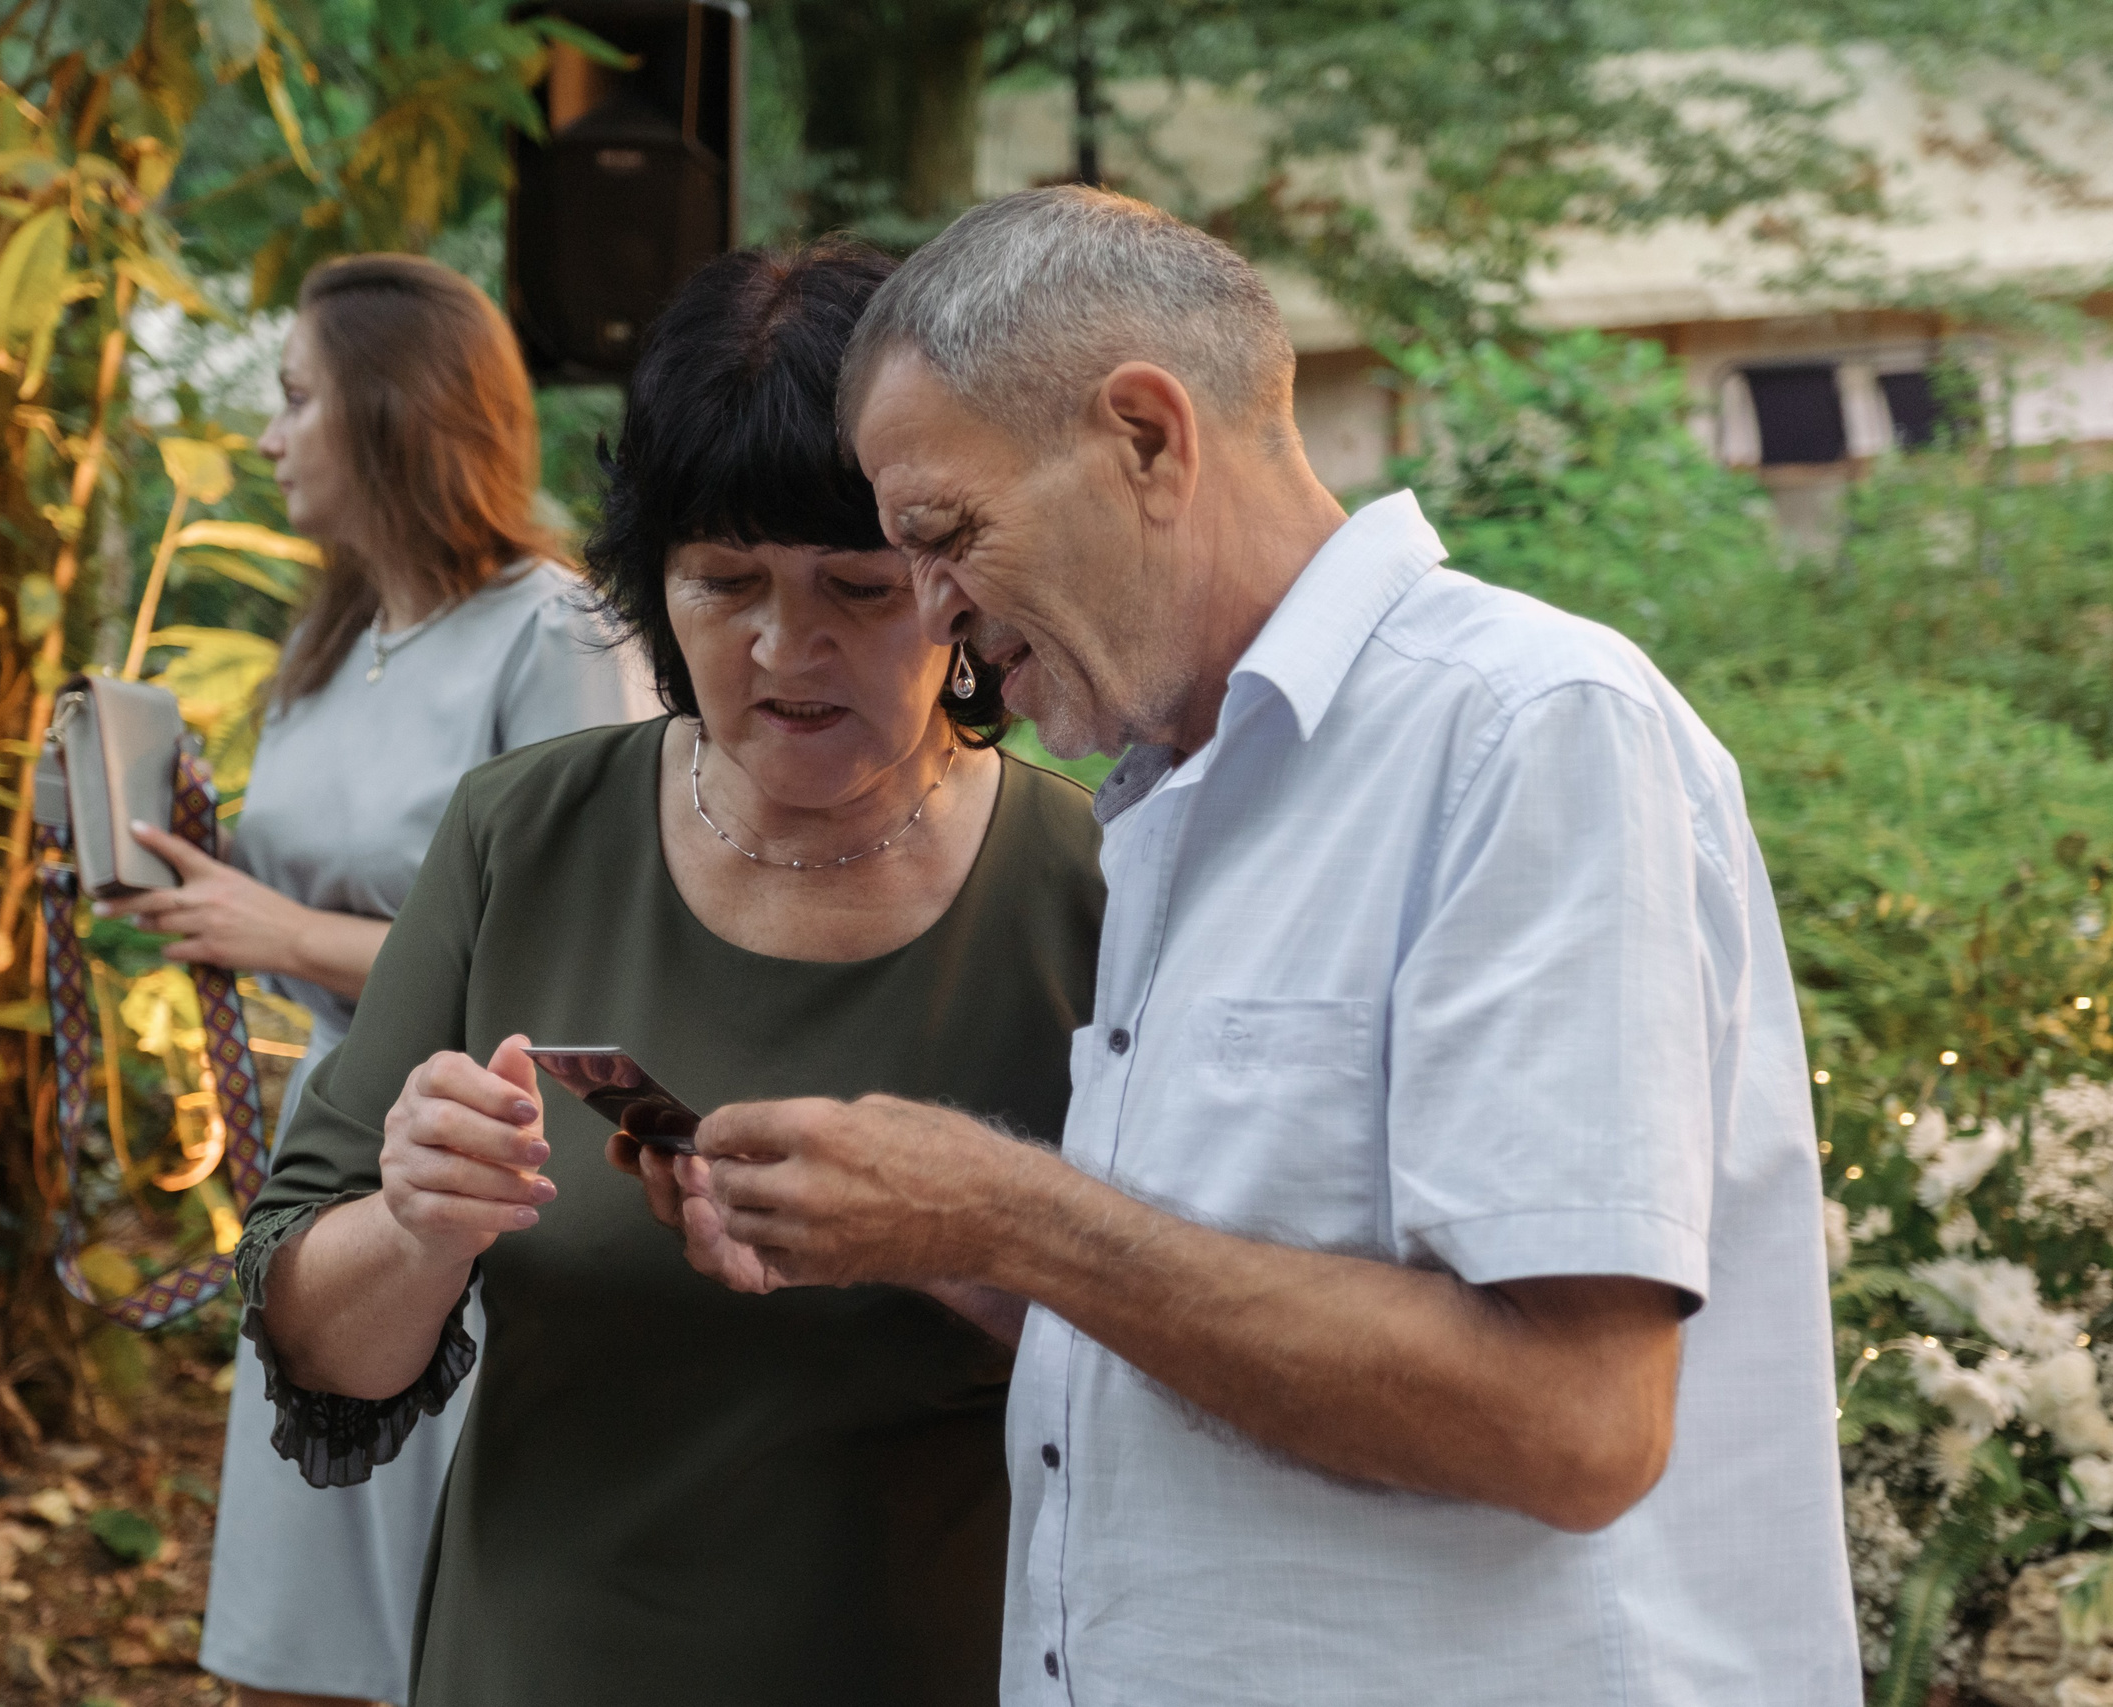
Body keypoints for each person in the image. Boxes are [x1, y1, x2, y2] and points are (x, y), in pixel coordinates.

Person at [685, 187, 1862, 1705]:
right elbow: (1225, 1311)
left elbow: (1573, 1423)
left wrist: (1012, 1218)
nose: (930, 611)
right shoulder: (1184, 786)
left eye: (943, 533)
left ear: (1150, 440)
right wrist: (926, 1241)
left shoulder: (1525, 729)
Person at [230, 238, 1107, 1707]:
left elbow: (1202, 1353)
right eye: (722, 582)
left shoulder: (1091, 887)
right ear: (648, 585)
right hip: (542, 1657)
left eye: (857, 586)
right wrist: (415, 1224)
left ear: (966, 589)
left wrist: (960, 1240)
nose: (785, 645)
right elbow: (321, 1339)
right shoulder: (523, 834)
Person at [96, 254, 656, 1707]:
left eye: (296, 400)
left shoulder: (562, 634)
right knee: (307, 1640)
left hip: (489, 1178)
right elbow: (323, 894)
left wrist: (277, 934)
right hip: (335, 1164)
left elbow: (578, 954)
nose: (272, 435)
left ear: (395, 411)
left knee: (456, 1636)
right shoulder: (333, 644)